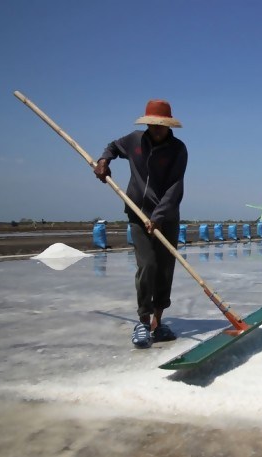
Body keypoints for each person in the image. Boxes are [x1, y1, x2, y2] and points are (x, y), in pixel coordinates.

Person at [94, 100, 188, 348]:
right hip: (137, 213)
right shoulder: (135, 140)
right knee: (147, 265)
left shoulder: (178, 149)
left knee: (165, 269)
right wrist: (104, 160)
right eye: (152, 125)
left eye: (160, 126)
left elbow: (175, 187)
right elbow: (113, 146)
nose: (156, 129)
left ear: (169, 126)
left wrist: (158, 216)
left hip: (166, 217)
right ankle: (143, 322)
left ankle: (158, 322)